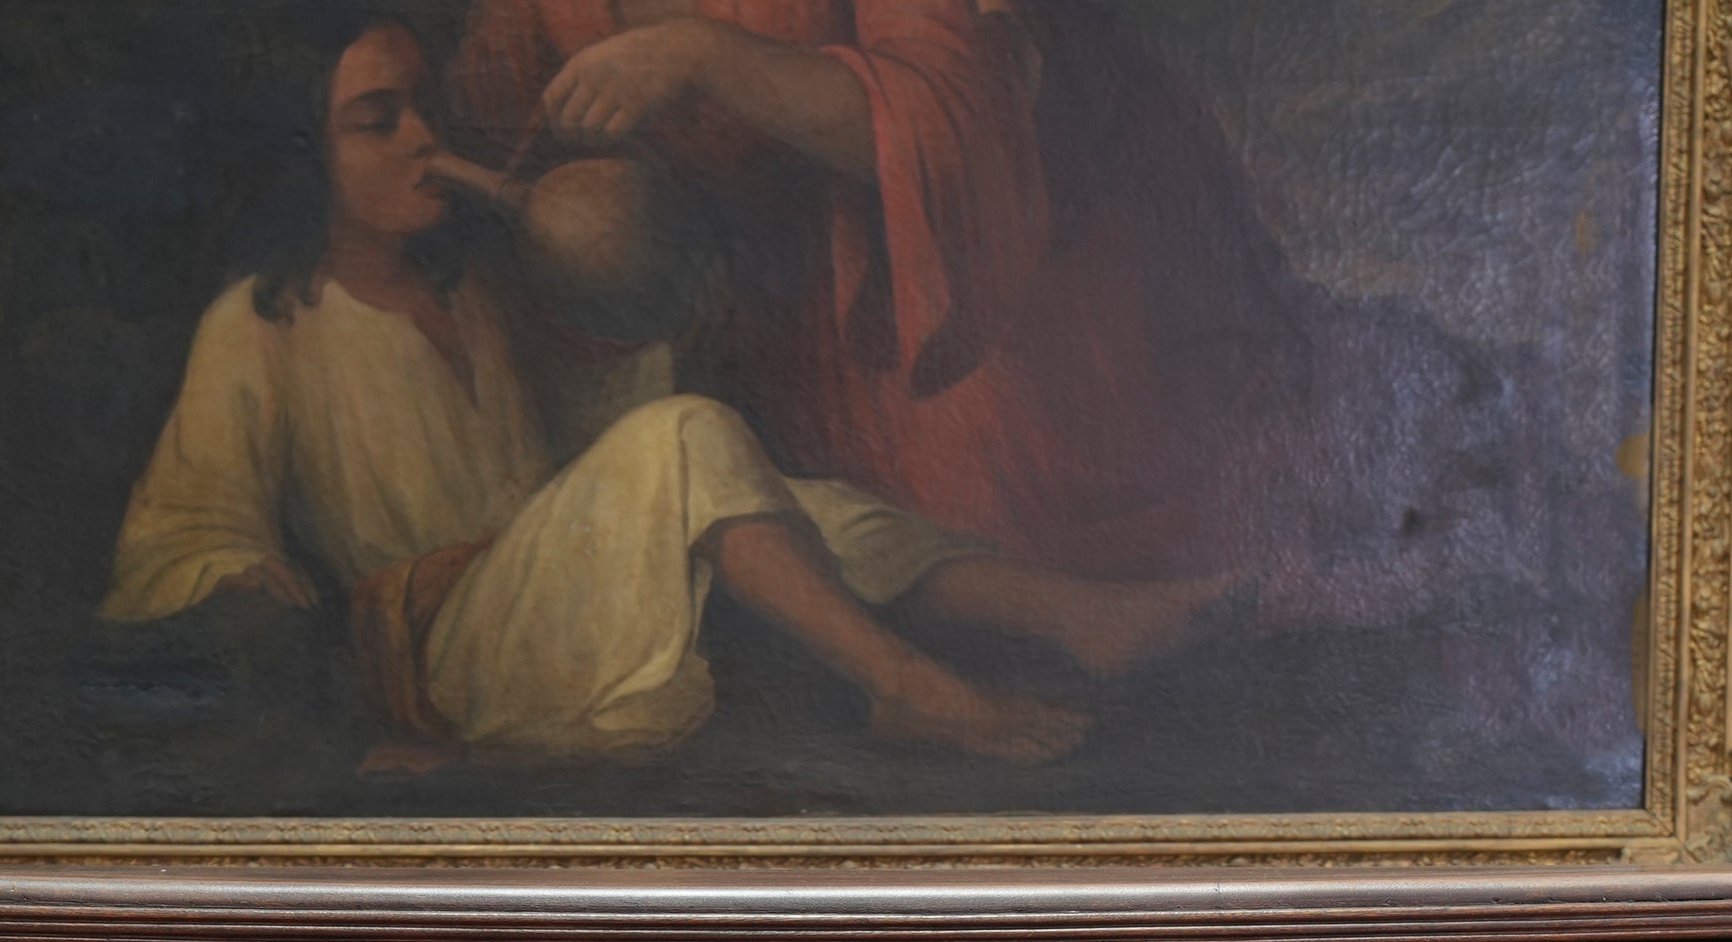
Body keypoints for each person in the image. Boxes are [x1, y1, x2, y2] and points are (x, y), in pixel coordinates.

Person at [101, 10, 1232, 768]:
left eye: (423, 110)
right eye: (374, 121)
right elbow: (181, 534)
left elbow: (584, 448)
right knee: (693, 438)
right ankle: (907, 686)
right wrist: (247, 588)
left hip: (529, 595)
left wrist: (641, 292)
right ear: (309, 158)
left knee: (775, 489)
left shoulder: (477, 302)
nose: (421, 138)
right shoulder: (263, 324)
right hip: (441, 648)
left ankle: (1077, 614)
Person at [445, 0, 1316, 590]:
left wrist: (703, 53)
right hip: (754, 314)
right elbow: (509, 122)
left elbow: (949, 119)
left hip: (974, 264)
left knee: (1005, 506)